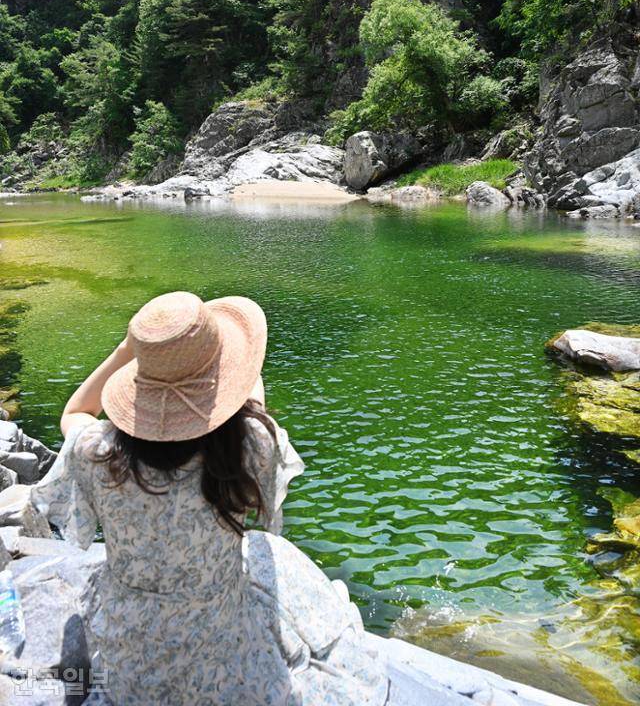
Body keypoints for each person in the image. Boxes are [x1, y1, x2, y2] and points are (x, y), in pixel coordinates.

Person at [31, 291, 389, 706]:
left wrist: (127, 350)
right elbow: (251, 400)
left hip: (130, 667)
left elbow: (75, 412)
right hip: (224, 661)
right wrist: (235, 360)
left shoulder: (98, 453)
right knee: (266, 549)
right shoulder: (248, 446)